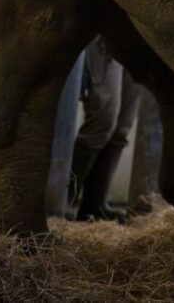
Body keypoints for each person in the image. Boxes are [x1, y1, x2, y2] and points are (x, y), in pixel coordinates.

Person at [68, 36, 142, 223]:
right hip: (106, 36)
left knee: (121, 128)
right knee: (103, 120)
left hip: (139, 40)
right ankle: (66, 199)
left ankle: (94, 204)